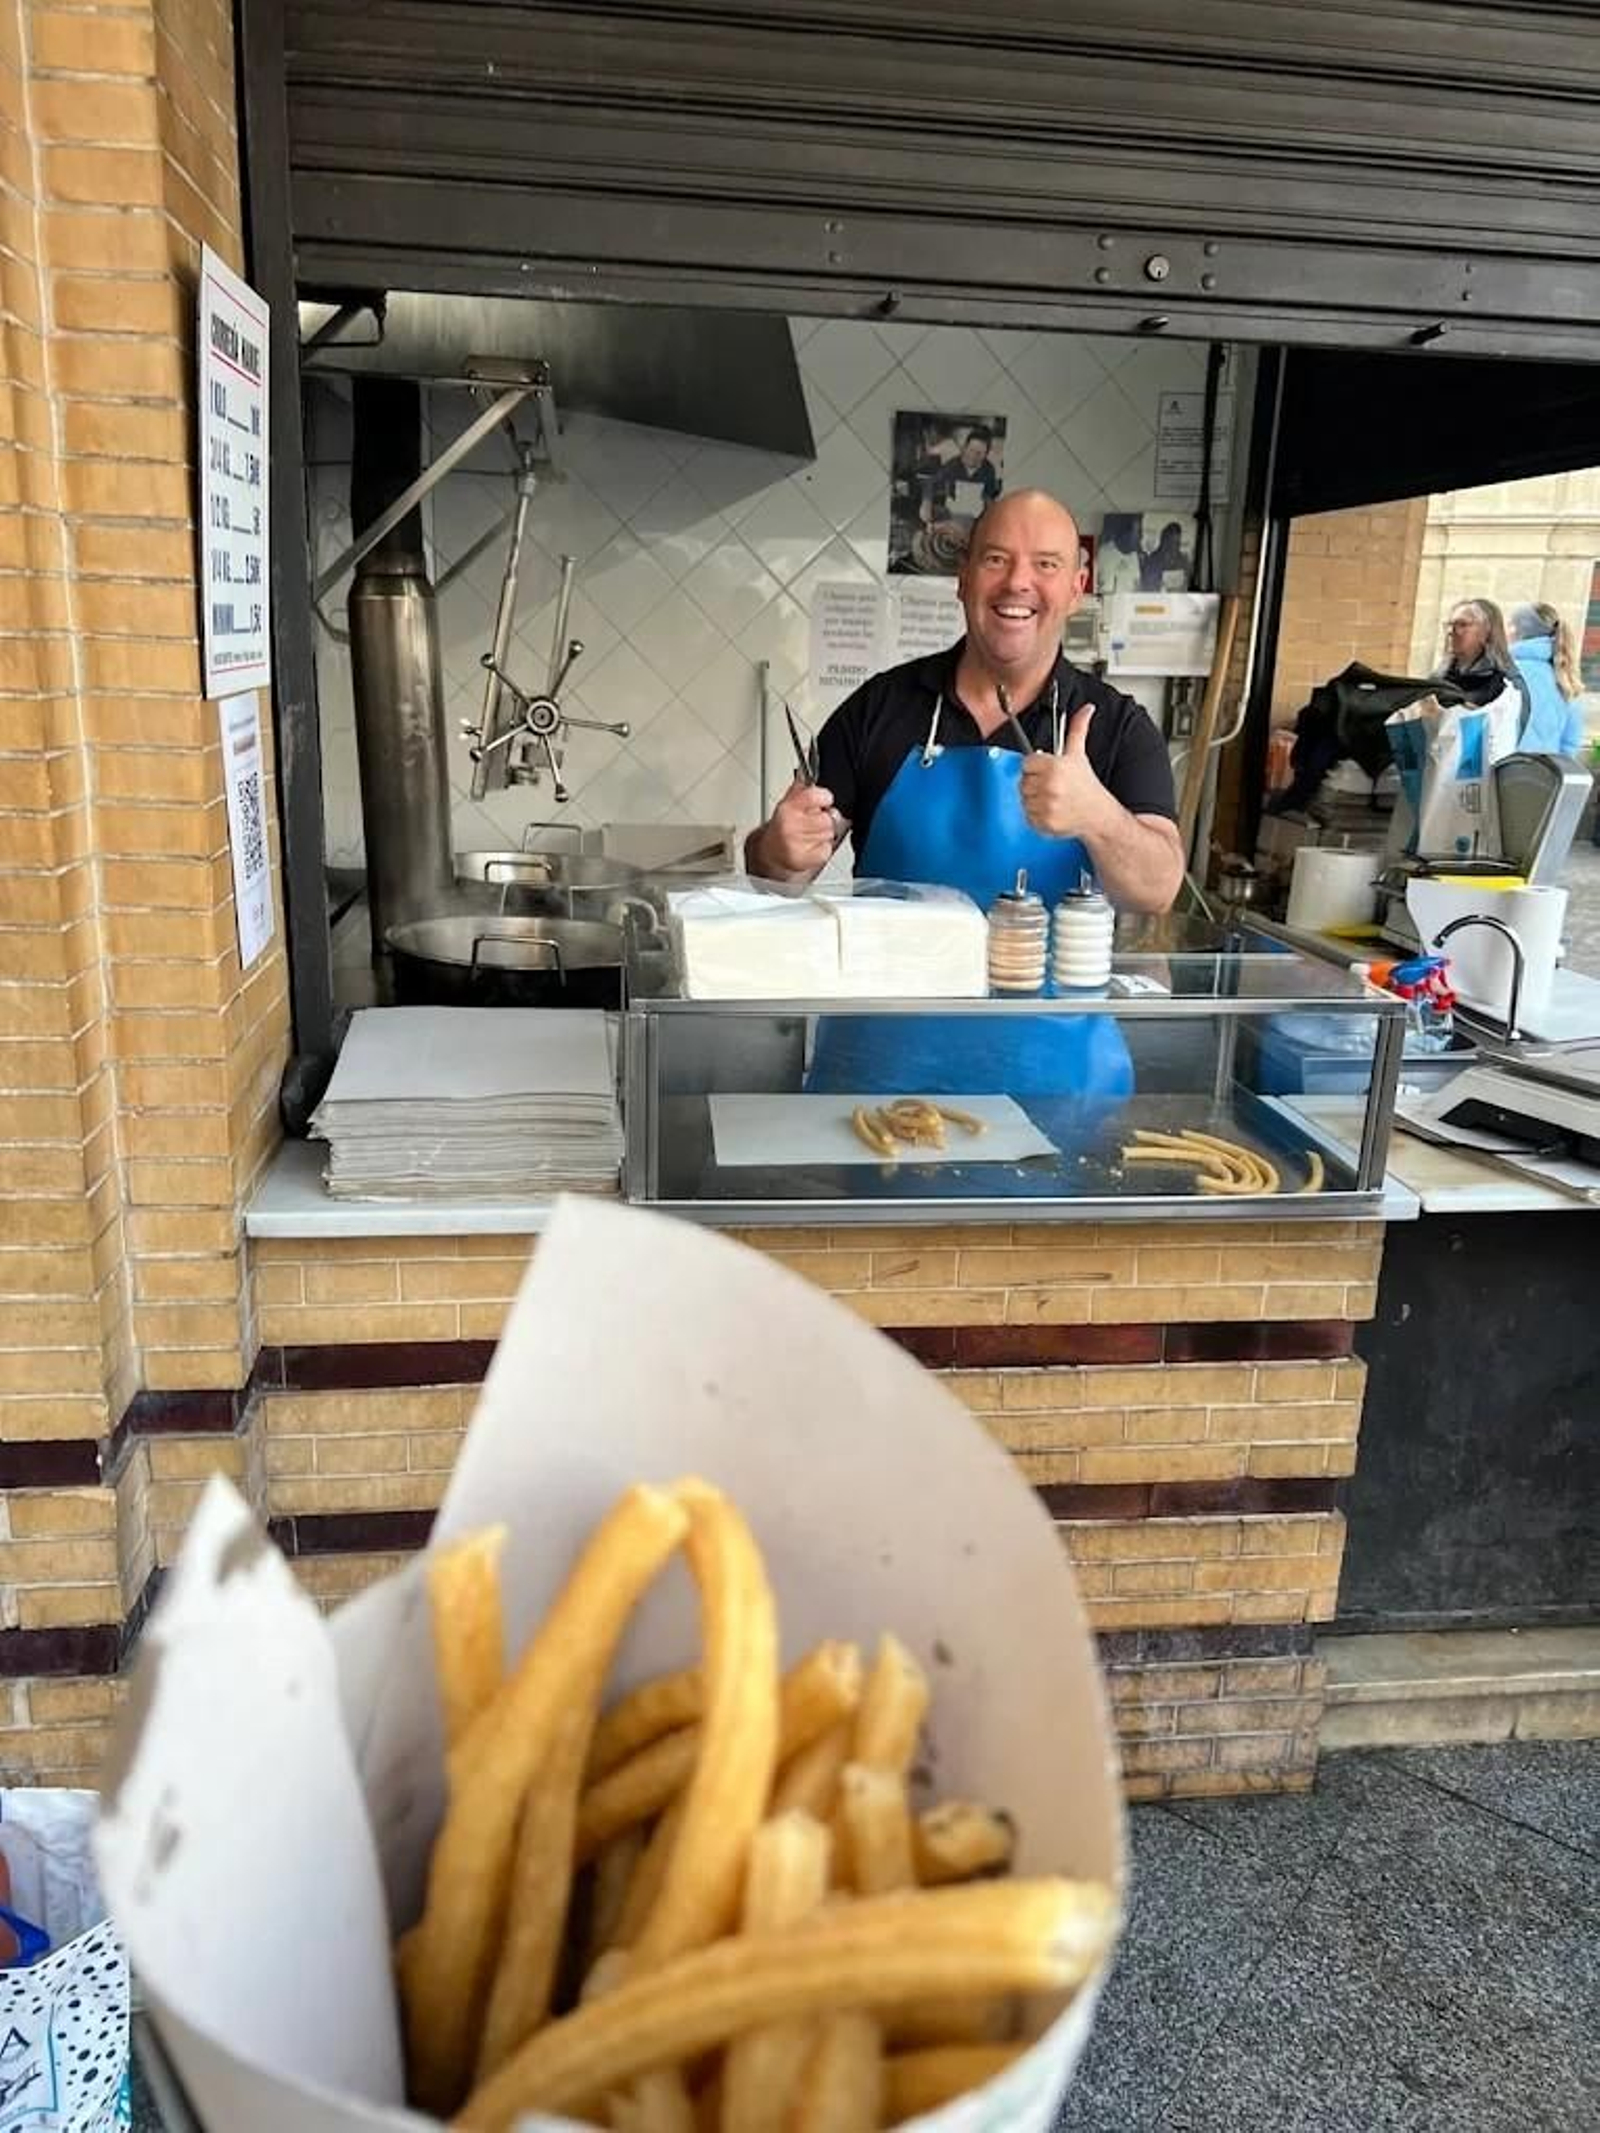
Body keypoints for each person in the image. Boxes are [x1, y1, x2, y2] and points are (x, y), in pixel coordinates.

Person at [745, 489, 1182, 1095]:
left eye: (1046, 565)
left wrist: (1097, 816)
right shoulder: (880, 707)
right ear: (963, 576)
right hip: (879, 1077)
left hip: (1055, 1084)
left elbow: (1159, 887)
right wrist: (779, 847)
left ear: (1078, 586)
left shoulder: (1115, 727)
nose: (1017, 584)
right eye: (996, 559)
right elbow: (774, 874)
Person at [1509, 602, 1588, 756]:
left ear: (1520, 631)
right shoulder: (1565, 677)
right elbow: (1571, 743)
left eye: (1511, 625)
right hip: (1547, 775)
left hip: (1504, 773)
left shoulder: (1505, 672)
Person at [1437, 597, 1532, 724]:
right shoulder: (1440, 675)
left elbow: (1509, 733)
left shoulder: (1508, 685)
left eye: (1462, 625)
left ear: (1487, 632)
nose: (1451, 631)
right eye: (1450, 625)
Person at [1139, 520, 1191, 592]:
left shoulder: (1183, 560)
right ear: (1164, 540)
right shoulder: (1152, 560)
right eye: (1171, 541)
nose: (1174, 546)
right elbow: (1147, 586)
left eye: (1177, 542)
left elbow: (1189, 583)